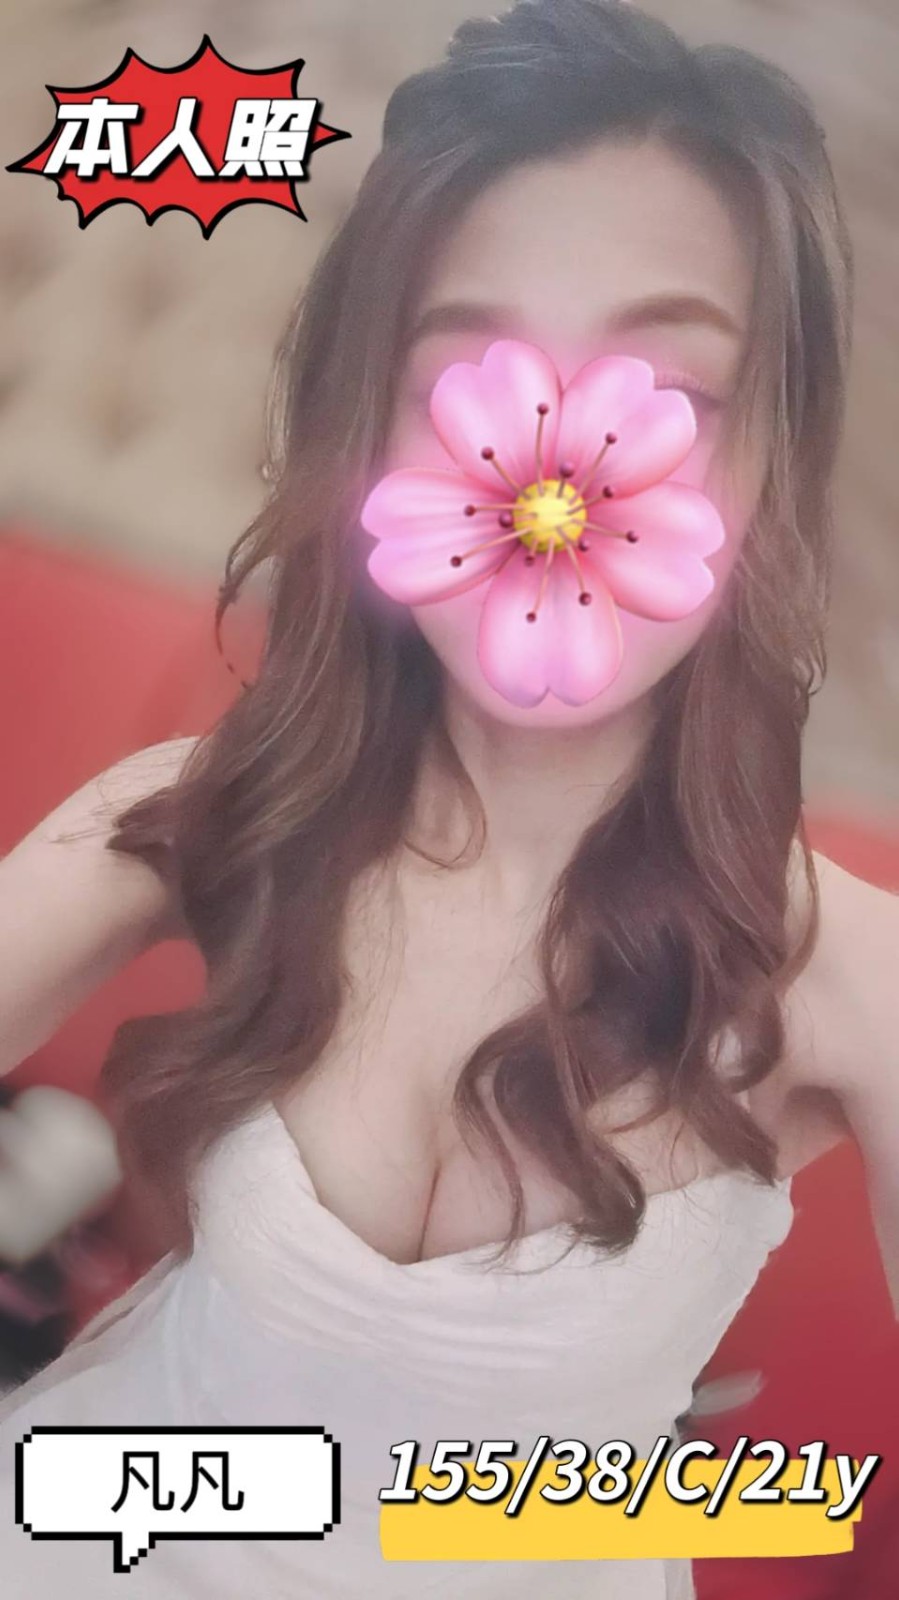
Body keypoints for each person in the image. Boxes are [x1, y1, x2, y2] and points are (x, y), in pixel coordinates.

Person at [0, 2, 896, 1596]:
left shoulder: (852, 984)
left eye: (670, 394)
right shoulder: (211, 812)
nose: (558, 469)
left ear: (772, 466)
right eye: (468, 374)